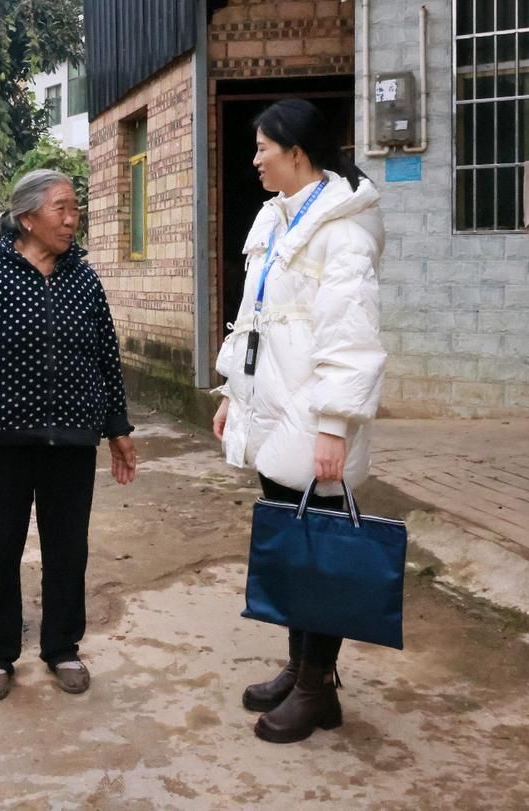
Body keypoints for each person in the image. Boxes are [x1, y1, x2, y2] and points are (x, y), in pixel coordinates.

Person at [211, 98, 386, 745]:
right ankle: (300, 670)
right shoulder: (276, 217)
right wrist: (232, 392)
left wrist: (335, 425)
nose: (255, 160)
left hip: (314, 418)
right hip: (273, 409)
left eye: (263, 148)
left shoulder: (343, 230)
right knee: (293, 547)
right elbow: (251, 317)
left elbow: (351, 335)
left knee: (322, 554)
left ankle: (317, 687)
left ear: (296, 152)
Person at [0, 169, 139, 702]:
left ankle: (63, 646)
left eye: (75, 209)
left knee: (68, 549)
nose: (72, 220)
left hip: (71, 441)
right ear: (27, 218)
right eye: (60, 208)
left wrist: (117, 428)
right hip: (4, 439)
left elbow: (106, 358)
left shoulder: (82, 279)